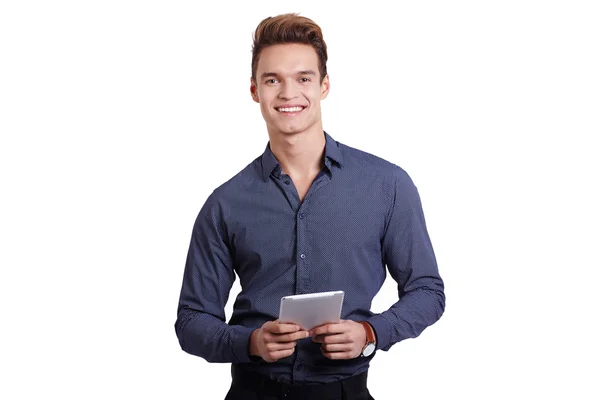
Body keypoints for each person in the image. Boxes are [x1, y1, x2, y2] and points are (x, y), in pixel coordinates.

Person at [175, 13, 445, 400]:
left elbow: (427, 291)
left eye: (303, 78)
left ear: (324, 86)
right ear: (254, 90)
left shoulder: (387, 185)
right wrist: (251, 342)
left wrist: (371, 333)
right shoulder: (226, 202)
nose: (288, 94)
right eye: (273, 80)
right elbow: (192, 321)